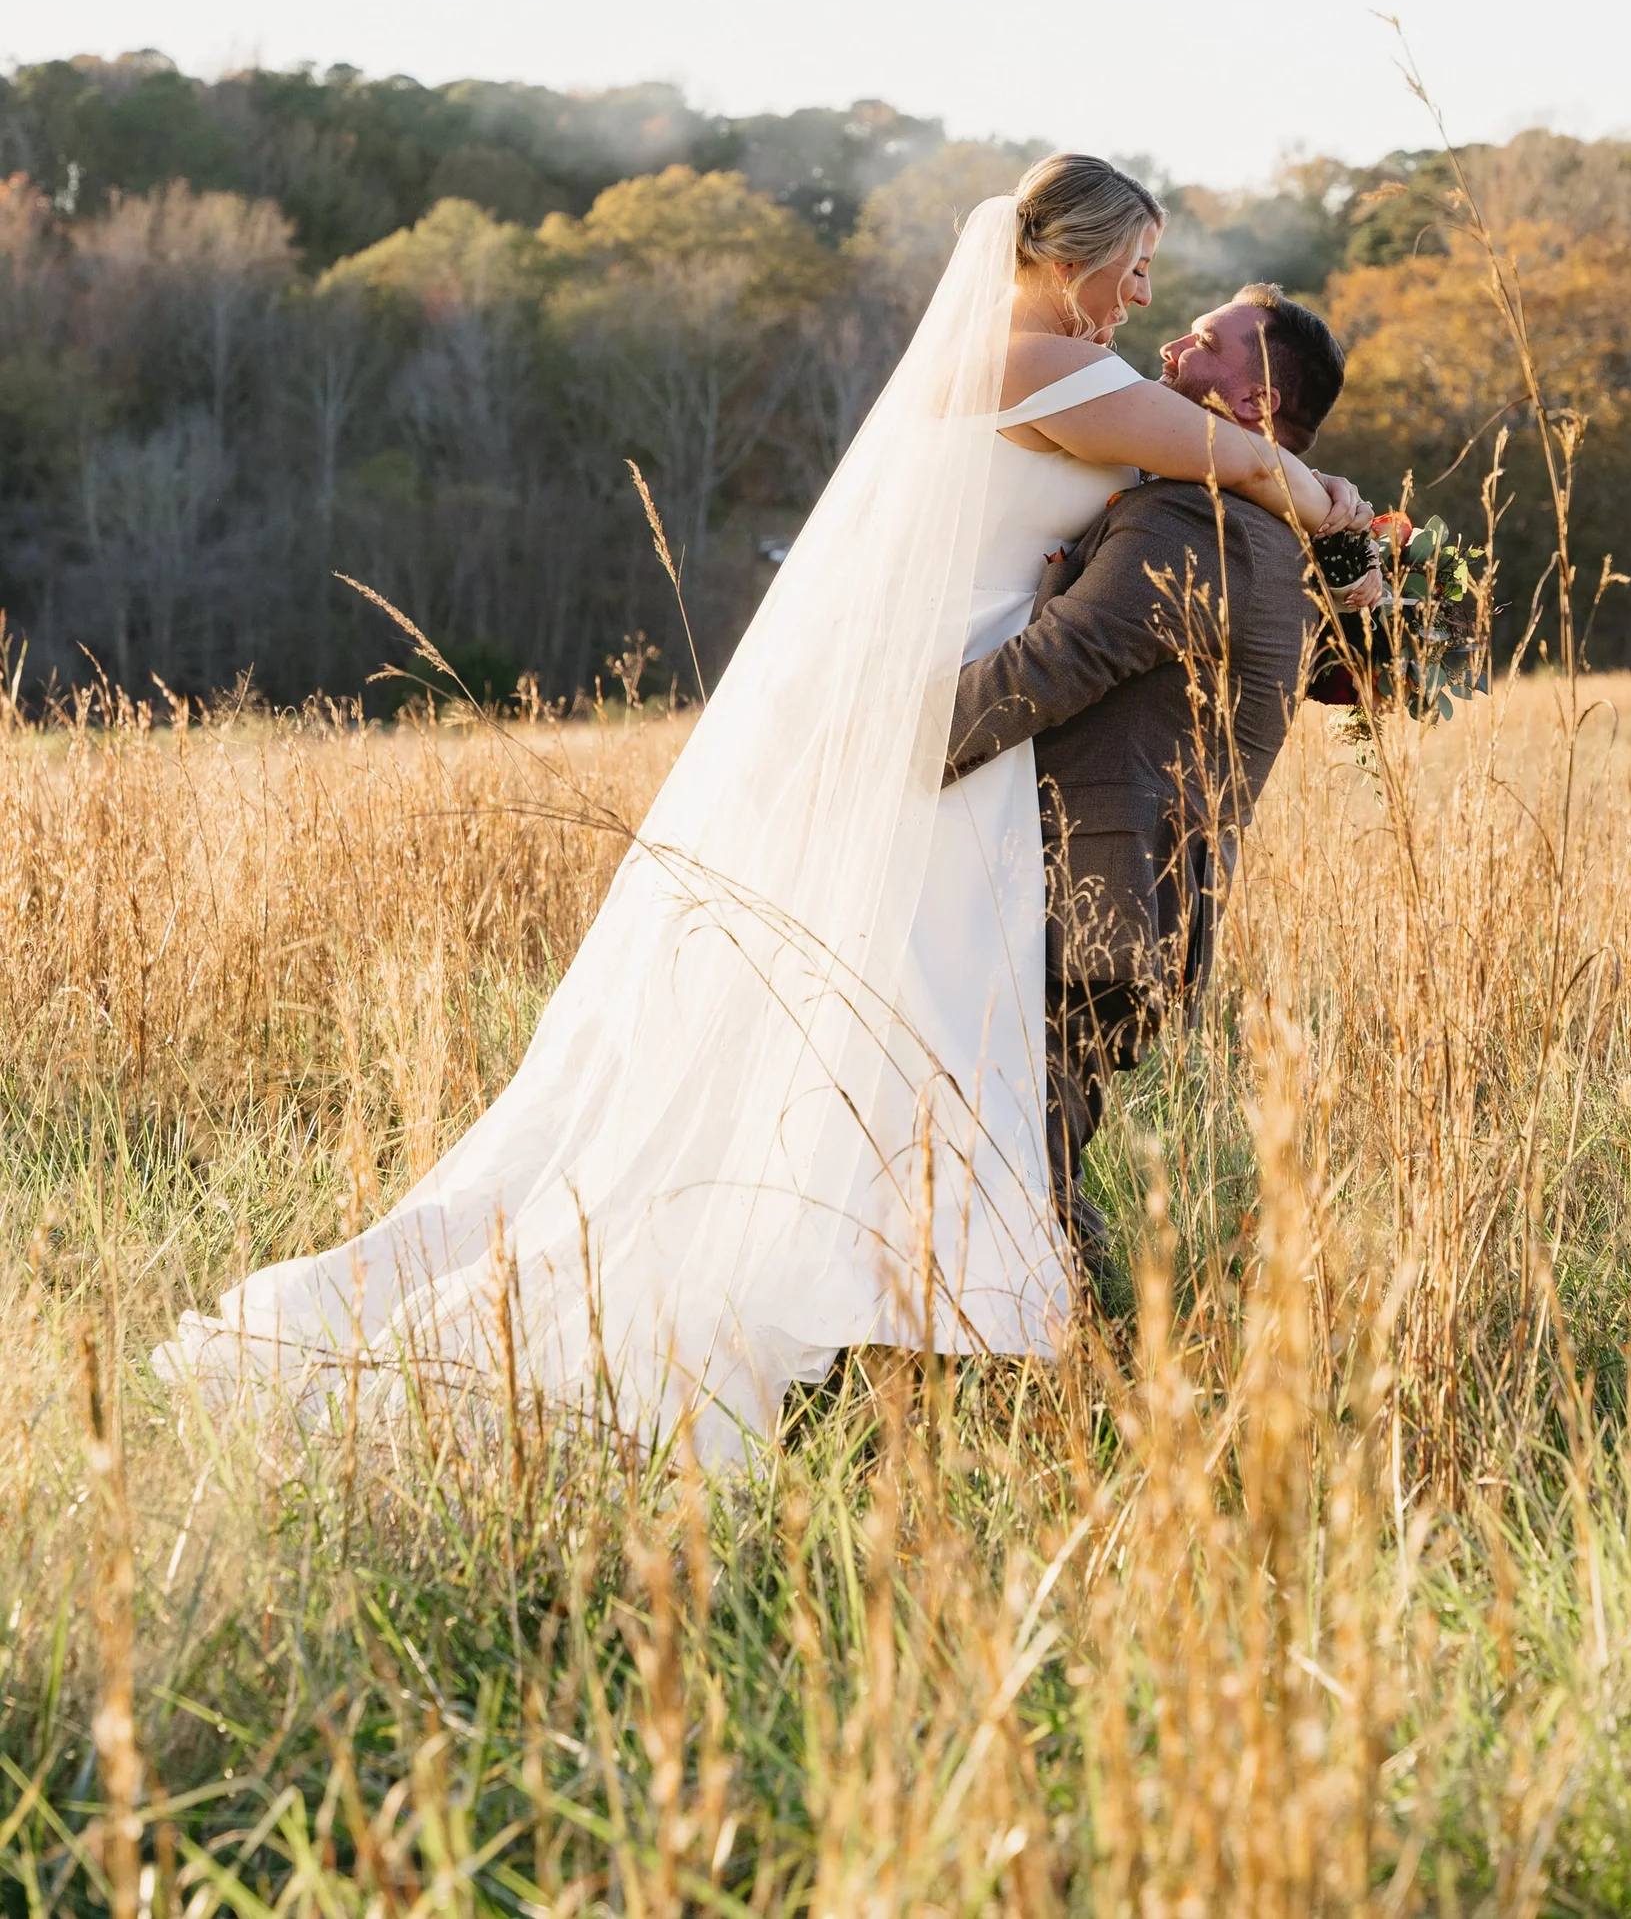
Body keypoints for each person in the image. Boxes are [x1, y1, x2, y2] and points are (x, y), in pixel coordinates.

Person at [159, 159, 1367, 1459]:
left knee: (910, 1047)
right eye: (1137, 264)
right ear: (1073, 255)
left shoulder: (1046, 368)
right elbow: (1241, 456)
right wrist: (1339, 510)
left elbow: (1216, 473)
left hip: (965, 746)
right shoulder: (1048, 370)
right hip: (947, 734)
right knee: (923, 1046)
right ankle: (890, 1330)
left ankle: (919, 1327)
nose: (1146, 294)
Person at [945, 282, 1362, 1283]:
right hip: (1138, 896)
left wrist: (889, 751)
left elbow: (1065, 659)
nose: (1177, 340)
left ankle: (1047, 1361)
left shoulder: (1195, 518)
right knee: (1023, 1143)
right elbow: (1352, 674)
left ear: (1256, 405)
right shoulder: (1270, 531)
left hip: (1100, 891)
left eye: (1209, 341)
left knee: (1006, 1150)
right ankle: (1050, 1347)